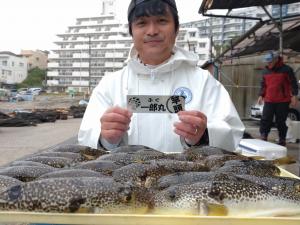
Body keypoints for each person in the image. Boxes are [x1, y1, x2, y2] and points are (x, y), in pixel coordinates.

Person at [78, 0, 244, 152]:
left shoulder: (203, 81)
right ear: (131, 31)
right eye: (142, 23)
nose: (152, 31)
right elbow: (86, 142)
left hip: (187, 182)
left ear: (176, 29)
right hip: (125, 182)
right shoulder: (110, 84)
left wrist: (204, 135)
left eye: (162, 21)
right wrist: (105, 138)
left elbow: (233, 134)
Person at [258, 51, 299, 146]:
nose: (268, 63)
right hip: (269, 99)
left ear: (276, 60)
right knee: (265, 119)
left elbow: (293, 83)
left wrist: (294, 95)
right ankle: (264, 136)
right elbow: (263, 85)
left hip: (283, 100)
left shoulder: (286, 70)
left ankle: (282, 138)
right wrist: (261, 95)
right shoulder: (265, 71)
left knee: (280, 121)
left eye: (270, 61)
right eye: (267, 62)